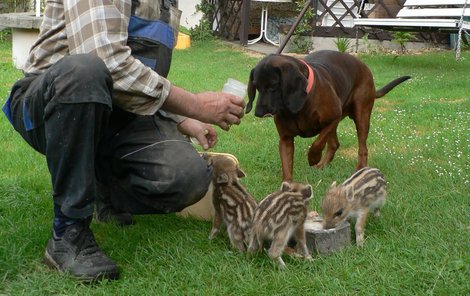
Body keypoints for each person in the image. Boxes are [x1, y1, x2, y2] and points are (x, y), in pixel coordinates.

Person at [2, 0, 245, 282]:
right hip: (49, 104)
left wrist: (179, 117)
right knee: (84, 71)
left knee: (186, 177)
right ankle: (68, 232)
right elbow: (108, 62)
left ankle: (101, 186)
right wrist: (195, 105)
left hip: (117, 112)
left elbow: (137, 76)